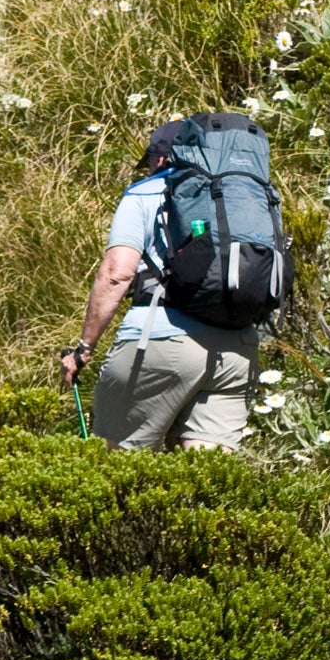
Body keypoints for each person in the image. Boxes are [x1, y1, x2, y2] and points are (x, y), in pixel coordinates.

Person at [61, 120, 261, 451]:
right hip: (237, 347)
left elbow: (116, 273)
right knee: (209, 470)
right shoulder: (245, 193)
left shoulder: (146, 192)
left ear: (163, 158)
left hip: (161, 340)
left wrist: (84, 348)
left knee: (120, 461)